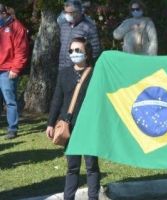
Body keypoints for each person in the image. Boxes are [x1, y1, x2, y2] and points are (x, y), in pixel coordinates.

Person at [46, 37, 100, 200]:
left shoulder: (96, 73)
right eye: (71, 51)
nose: (74, 53)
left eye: (78, 50)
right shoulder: (64, 74)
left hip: (89, 126)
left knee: (91, 166)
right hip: (70, 126)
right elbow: (57, 100)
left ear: (87, 52)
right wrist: (50, 123)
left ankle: (93, 197)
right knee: (72, 167)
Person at [0, 4, 29, 139]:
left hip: (8, 70)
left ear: (4, 13)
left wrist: (16, 69)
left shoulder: (17, 27)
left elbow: (21, 51)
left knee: (10, 101)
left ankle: (12, 128)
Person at [59, 0, 101, 70]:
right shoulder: (64, 26)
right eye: (66, 12)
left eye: (70, 13)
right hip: (62, 68)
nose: (67, 15)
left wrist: (88, 69)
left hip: (80, 70)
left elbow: (95, 51)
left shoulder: (88, 27)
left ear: (78, 12)